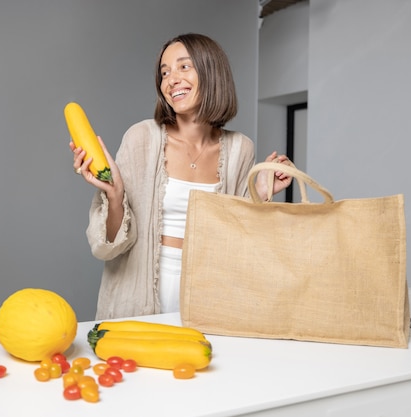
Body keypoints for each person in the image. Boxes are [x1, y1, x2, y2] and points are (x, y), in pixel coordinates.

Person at [70, 33, 292, 319]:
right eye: (164, 72)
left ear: (212, 73)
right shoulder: (141, 138)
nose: (171, 79)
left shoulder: (240, 148)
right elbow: (110, 247)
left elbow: (236, 241)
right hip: (136, 295)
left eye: (183, 67)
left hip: (210, 297)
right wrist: (114, 196)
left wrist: (259, 193)